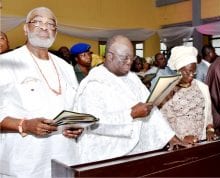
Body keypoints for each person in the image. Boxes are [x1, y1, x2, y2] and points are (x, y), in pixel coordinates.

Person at [73, 35, 181, 163]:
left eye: (132, 57)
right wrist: (130, 114)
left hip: (135, 154)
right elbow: (92, 123)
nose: (130, 62)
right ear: (110, 56)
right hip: (104, 158)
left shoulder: (132, 78)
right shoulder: (93, 84)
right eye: (125, 58)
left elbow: (152, 111)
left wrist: (171, 137)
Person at [0, 7, 81, 178]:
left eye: (50, 24)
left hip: (66, 161)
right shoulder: (5, 63)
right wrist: (25, 125)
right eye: (37, 21)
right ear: (25, 28)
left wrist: (78, 126)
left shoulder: (66, 67)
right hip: (24, 166)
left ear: (55, 32)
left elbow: (75, 109)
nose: (44, 27)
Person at [159, 46, 215, 144]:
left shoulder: (202, 87)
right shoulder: (168, 90)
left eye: (194, 71)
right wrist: (182, 137)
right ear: (178, 70)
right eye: (187, 72)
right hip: (180, 143)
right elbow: (164, 122)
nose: (191, 75)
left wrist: (210, 131)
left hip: (201, 139)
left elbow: (208, 114)